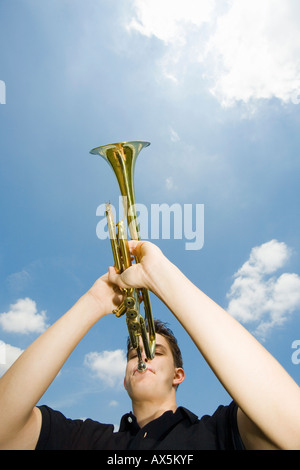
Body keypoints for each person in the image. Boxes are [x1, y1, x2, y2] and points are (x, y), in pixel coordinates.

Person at [0, 241, 299, 450]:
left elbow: (293, 427)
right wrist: (92, 304)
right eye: (133, 354)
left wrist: (164, 279)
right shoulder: (88, 440)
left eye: (156, 352)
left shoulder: (218, 432)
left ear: (178, 375)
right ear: (124, 377)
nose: (141, 355)